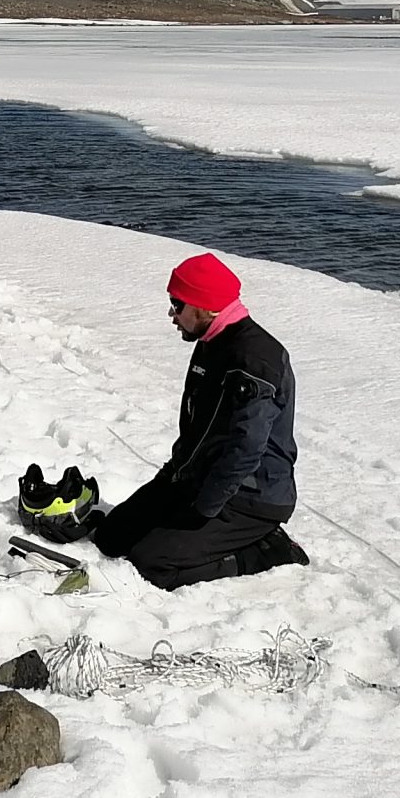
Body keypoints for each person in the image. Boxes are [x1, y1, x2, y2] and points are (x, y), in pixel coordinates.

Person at [91, 252, 308, 589]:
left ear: (205, 307)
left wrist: (204, 509)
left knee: (151, 563)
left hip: (251, 496)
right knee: (110, 537)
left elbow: (245, 450)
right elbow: (201, 427)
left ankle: (269, 550)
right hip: (199, 478)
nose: (171, 313)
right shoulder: (211, 340)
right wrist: (171, 480)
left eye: (178, 304)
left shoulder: (254, 360)